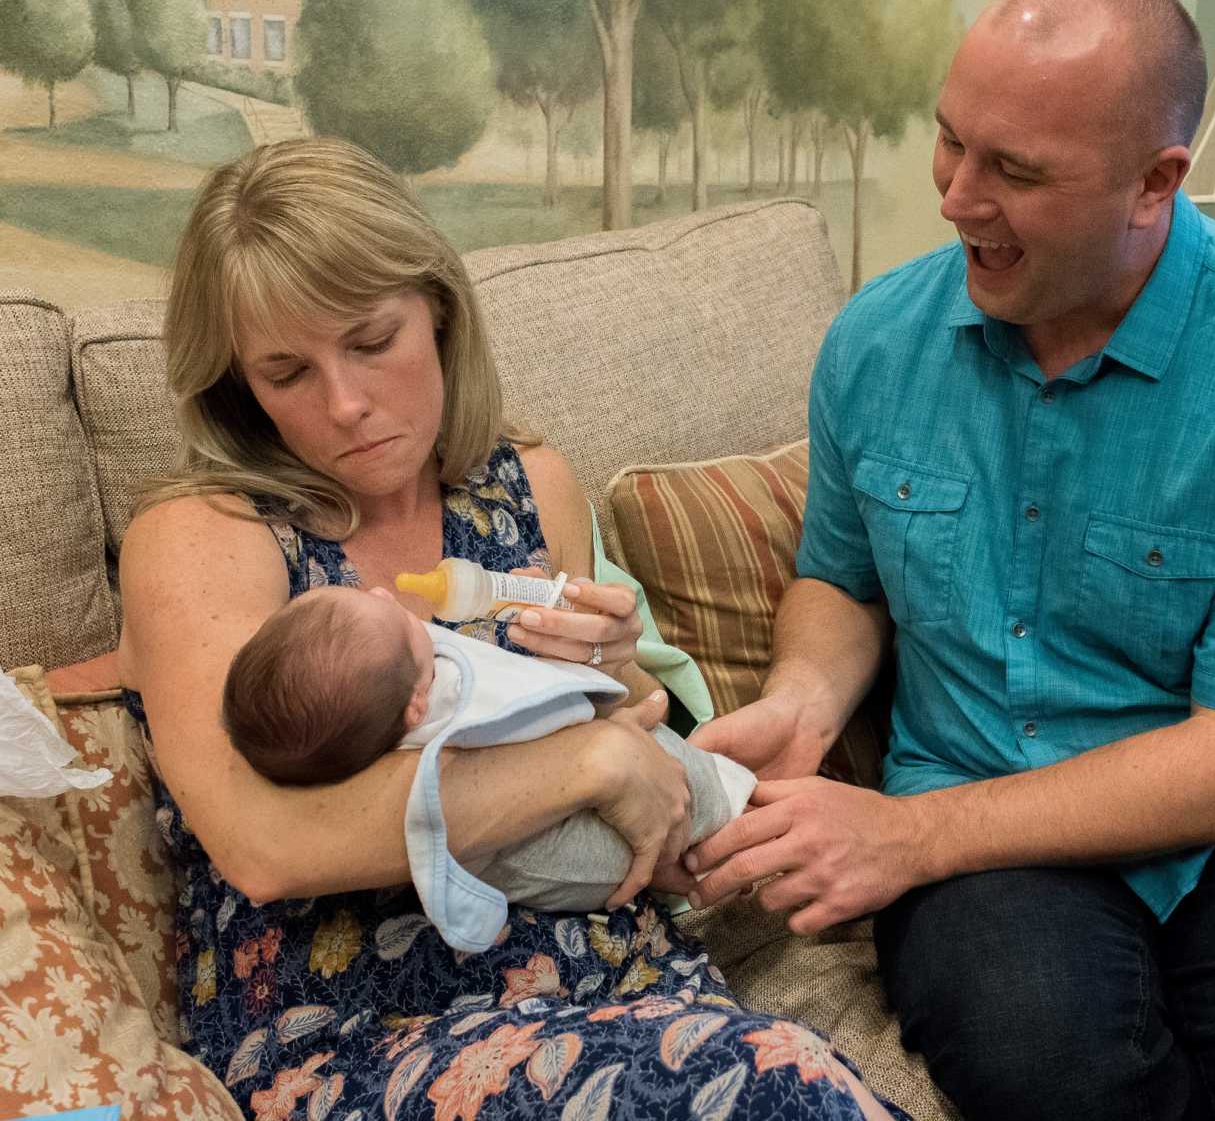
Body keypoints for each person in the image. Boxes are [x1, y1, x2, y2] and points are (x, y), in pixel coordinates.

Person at [686, 0, 1215, 1120]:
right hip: (976, 801)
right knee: (1050, 1069)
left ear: (1153, 183)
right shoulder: (875, 340)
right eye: (950, 140)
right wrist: (807, 698)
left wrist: (910, 838)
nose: (956, 197)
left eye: (1014, 170)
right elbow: (840, 578)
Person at [117, 136, 899, 1120]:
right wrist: (587, 766)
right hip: (359, 1036)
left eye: (370, 340)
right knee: (775, 1082)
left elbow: (629, 763)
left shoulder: (527, 483)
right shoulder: (206, 536)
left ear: (438, 311)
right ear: (239, 384)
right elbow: (267, 841)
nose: (346, 405)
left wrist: (620, 687)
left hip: (623, 981)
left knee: (789, 1073)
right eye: (286, 374)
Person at [220, 583, 756, 921]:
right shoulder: (430, 707)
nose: (384, 594)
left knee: (712, 792)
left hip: (647, 847)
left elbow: (635, 704)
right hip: (550, 899)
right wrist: (597, 751)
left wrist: (610, 661)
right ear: (415, 708)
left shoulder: (353, 698)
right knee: (719, 811)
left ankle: (748, 815)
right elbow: (268, 849)